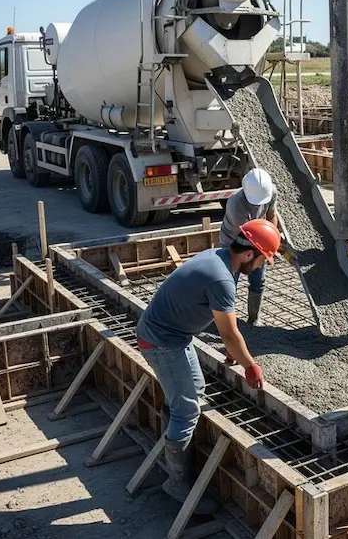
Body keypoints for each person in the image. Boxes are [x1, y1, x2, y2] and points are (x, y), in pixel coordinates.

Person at [136, 219, 281, 510]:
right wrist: (249, 365)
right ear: (250, 254)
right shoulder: (222, 279)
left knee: (195, 389)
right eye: (263, 259)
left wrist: (233, 351)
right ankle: (177, 484)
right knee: (188, 408)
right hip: (162, 342)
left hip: (173, 335)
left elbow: (223, 327)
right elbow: (229, 333)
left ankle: (173, 430)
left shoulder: (218, 258)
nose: (262, 266)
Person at [220, 168, 279, 327]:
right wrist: (263, 248)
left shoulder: (270, 192)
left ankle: (254, 318)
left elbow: (271, 216)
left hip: (258, 239)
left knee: (258, 280)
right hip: (234, 241)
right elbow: (244, 235)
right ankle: (226, 322)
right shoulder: (235, 202)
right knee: (229, 281)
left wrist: (272, 240)